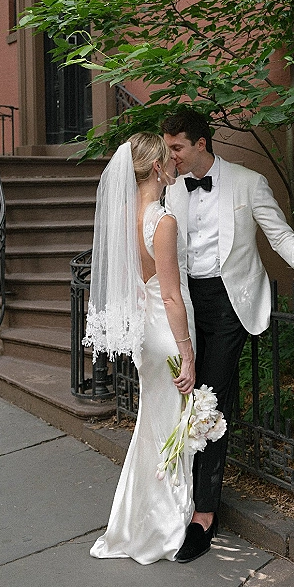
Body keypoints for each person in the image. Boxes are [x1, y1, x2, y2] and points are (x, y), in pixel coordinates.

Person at [163, 108, 294, 563]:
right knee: (182, 396)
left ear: (201, 144)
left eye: (177, 147)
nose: (171, 156)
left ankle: (204, 514)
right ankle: (178, 494)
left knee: (212, 399)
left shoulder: (246, 181)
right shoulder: (168, 187)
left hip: (229, 303)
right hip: (183, 303)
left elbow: (278, 235)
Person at [85, 133, 196, 564]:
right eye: (169, 159)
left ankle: (136, 521)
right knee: (170, 427)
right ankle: (163, 526)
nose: (174, 164)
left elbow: (138, 284)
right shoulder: (162, 220)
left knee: (154, 425)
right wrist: (186, 351)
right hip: (168, 331)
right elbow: (171, 296)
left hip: (146, 335)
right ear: (156, 169)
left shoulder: (125, 217)